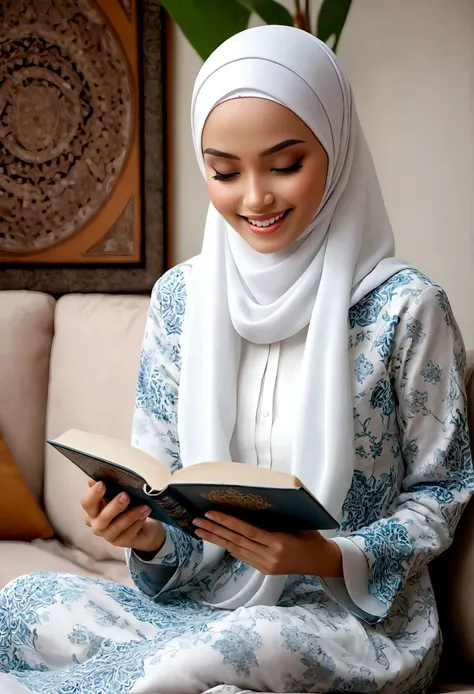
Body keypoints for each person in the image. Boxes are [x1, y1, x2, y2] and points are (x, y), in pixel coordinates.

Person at [0, 24, 473, 694]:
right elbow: (168, 490)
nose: (254, 198)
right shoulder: (181, 299)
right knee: (22, 605)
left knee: (245, 647)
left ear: (336, 149)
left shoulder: (405, 308)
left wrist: (326, 555)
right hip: (200, 606)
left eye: (284, 165)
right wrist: (142, 535)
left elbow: (441, 492)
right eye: (224, 171)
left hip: (343, 625)